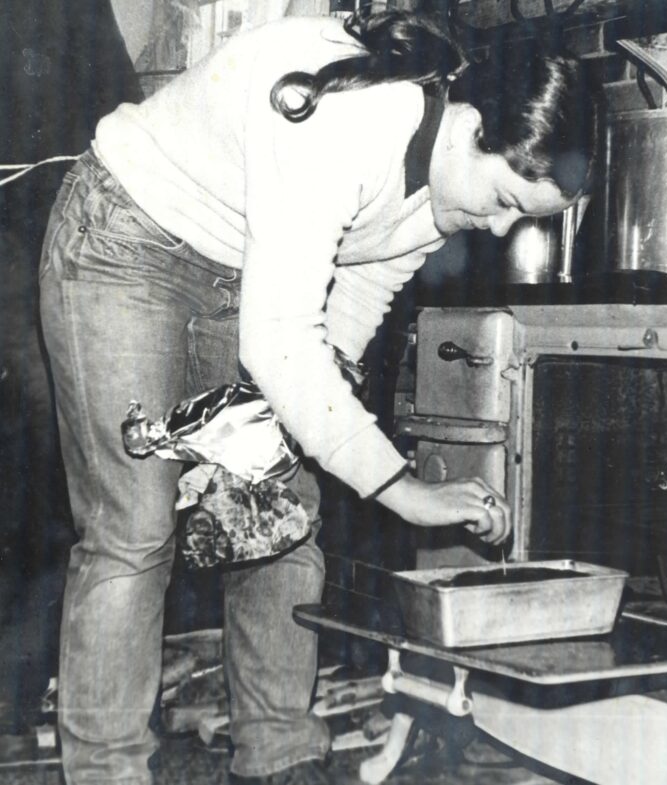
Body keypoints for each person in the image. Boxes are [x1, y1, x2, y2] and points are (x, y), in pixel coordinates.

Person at [38, 8, 599, 785]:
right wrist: (402, 489)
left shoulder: (446, 180)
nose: (499, 228)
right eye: (504, 199)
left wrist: (303, 431)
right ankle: (107, 773)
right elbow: (280, 341)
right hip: (126, 239)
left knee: (280, 517)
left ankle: (280, 755)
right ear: (469, 123)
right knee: (134, 530)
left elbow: (353, 300)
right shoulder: (355, 122)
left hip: (240, 271)